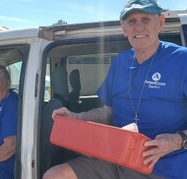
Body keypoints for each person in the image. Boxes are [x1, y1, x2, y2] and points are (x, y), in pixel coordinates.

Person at [43, 0, 187, 179]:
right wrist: (76, 117)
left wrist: (176, 141)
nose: (138, 27)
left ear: (160, 23)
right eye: (131, 21)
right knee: (55, 175)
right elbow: (107, 111)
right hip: (117, 157)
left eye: (146, 19)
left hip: (164, 165)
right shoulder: (120, 62)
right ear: (124, 28)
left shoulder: (182, 60)